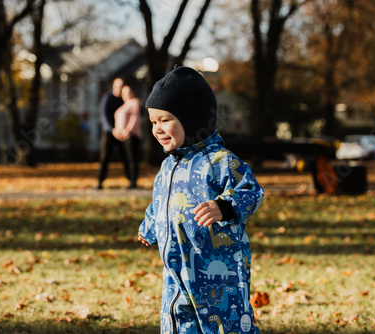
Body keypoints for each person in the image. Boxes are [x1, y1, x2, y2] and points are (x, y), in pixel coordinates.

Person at [138, 66, 264, 334]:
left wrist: (224, 206)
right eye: (153, 122)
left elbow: (251, 191)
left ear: (192, 120)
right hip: (176, 268)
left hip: (218, 272)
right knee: (178, 321)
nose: (158, 129)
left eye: (165, 120)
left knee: (225, 325)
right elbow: (161, 202)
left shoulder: (220, 162)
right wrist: (149, 226)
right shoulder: (167, 166)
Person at [96, 77, 130, 189]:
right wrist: (113, 129)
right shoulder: (107, 97)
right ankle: (100, 182)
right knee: (104, 157)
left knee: (126, 156)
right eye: (117, 86)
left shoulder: (124, 99)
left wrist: (122, 130)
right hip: (109, 132)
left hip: (121, 133)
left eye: (121, 86)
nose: (119, 89)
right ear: (113, 86)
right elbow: (104, 116)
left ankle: (131, 180)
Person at [112, 85, 143, 189]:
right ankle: (130, 180)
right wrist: (116, 131)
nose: (127, 95)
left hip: (131, 136)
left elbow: (135, 118)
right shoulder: (123, 106)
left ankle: (133, 182)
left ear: (132, 93)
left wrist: (128, 130)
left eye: (128, 92)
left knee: (132, 159)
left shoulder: (134, 103)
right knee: (126, 158)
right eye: (124, 93)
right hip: (122, 137)